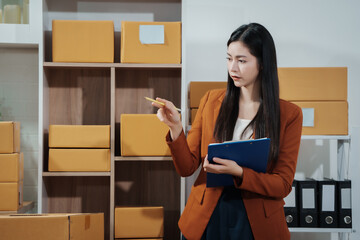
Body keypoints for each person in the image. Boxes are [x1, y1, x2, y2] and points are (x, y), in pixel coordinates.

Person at [152, 23, 303, 240]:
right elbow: (187, 167)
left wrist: (239, 173)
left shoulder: (289, 114)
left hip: (255, 222)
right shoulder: (211, 100)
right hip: (208, 216)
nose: (233, 68)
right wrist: (175, 127)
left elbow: (282, 184)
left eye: (241, 61)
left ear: (262, 64)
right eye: (229, 58)